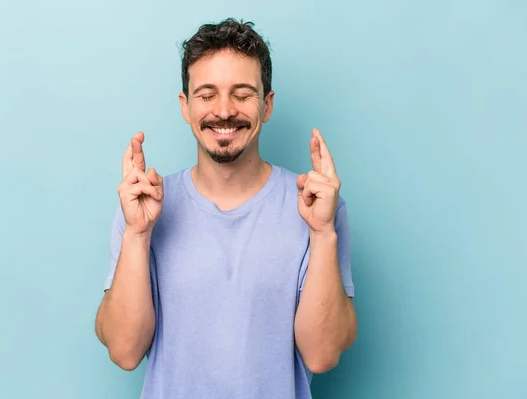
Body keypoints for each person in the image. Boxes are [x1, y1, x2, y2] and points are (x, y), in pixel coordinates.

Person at [95, 18, 357, 399]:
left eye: (242, 93)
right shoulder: (144, 208)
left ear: (266, 105)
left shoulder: (318, 208)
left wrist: (322, 232)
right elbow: (124, 350)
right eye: (206, 94)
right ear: (185, 106)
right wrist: (137, 234)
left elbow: (322, 355)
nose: (223, 110)